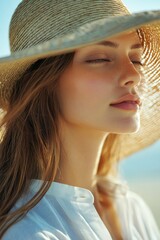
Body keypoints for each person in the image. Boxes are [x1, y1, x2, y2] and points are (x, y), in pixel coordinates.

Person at [0, 0, 160, 239]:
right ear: (44, 83)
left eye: (136, 59)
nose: (133, 75)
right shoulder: (30, 232)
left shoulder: (131, 208)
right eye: (101, 58)